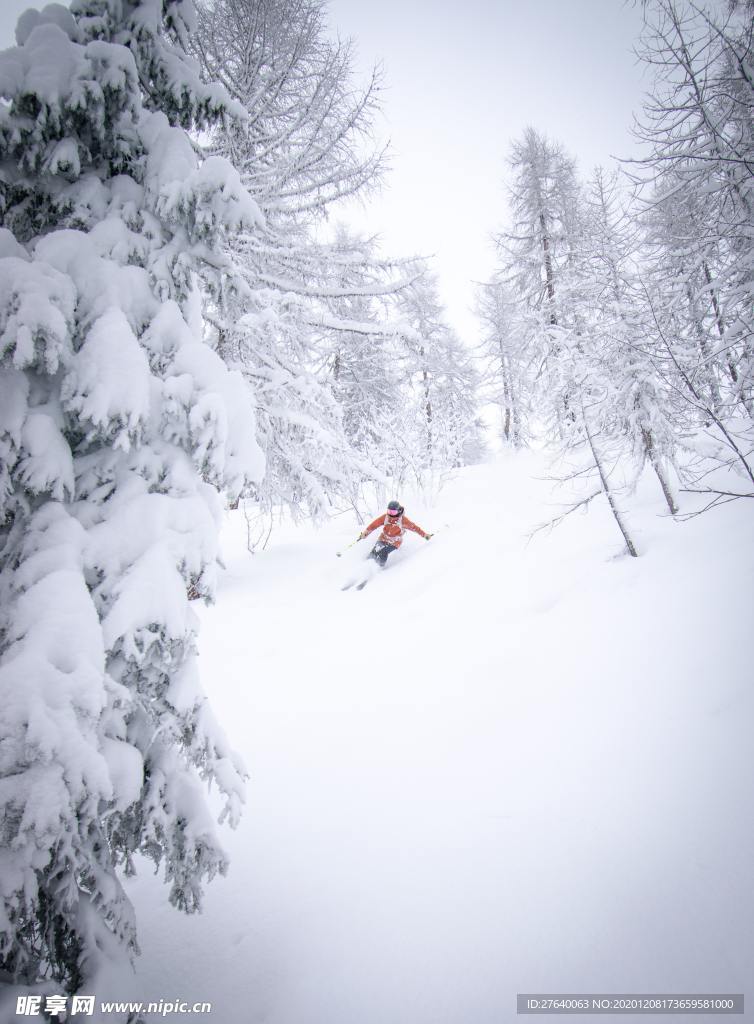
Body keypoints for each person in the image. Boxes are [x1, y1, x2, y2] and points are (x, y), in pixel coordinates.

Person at [358, 500, 433, 566]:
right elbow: (374, 525)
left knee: (383, 552)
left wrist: (424, 535)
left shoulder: (403, 520)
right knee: (374, 551)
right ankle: (364, 566)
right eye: (389, 511)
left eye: (393, 512)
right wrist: (365, 533)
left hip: (394, 542)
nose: (391, 514)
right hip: (383, 538)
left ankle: (378, 568)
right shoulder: (385, 517)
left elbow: (415, 528)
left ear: (399, 511)